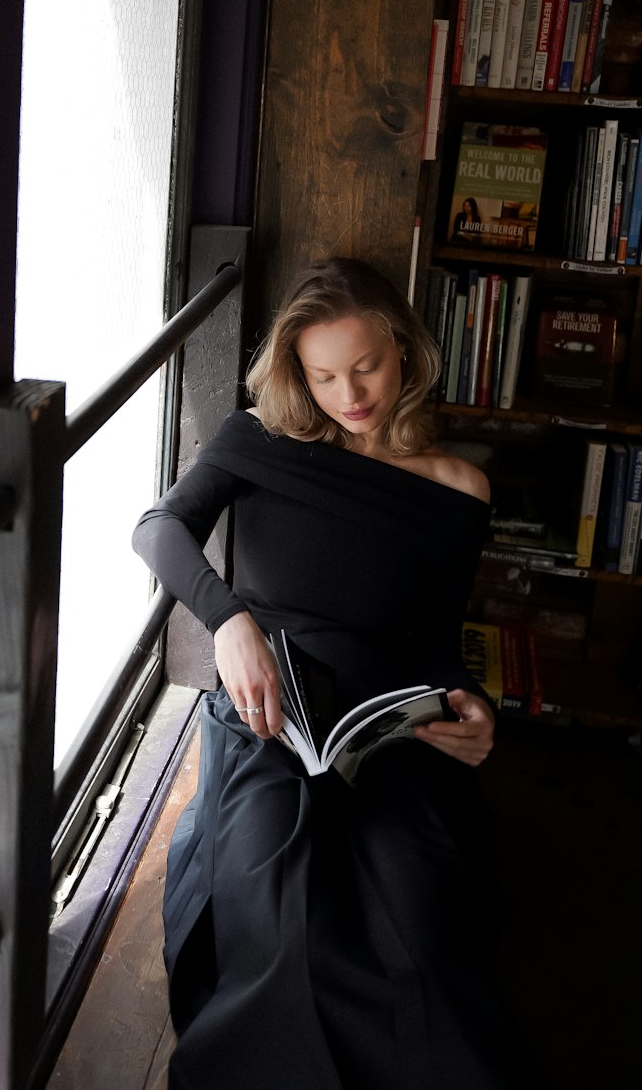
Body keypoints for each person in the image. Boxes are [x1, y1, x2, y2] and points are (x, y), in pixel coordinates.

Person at [133, 257, 537, 1090]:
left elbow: (435, 642)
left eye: (367, 368)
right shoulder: (259, 440)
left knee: (418, 931)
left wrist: (468, 703)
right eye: (323, 376)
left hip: (386, 728)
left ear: (406, 352)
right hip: (269, 713)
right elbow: (159, 527)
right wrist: (228, 618)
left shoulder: (459, 488)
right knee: (280, 922)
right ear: (295, 372)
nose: (349, 395)